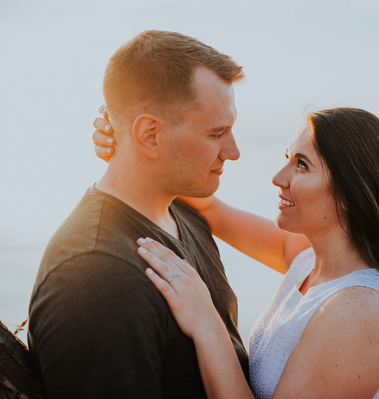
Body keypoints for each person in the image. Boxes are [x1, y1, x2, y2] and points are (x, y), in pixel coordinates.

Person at [94, 107, 379, 398]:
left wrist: (206, 322)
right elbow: (213, 211)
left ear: (348, 195)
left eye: (302, 165)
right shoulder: (309, 260)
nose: (279, 177)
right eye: (288, 159)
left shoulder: (359, 313)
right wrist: (134, 145)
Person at [28, 30, 250, 398]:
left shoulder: (186, 215)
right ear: (149, 134)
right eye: (216, 134)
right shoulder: (96, 276)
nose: (234, 151)